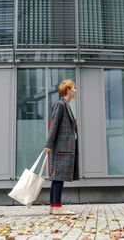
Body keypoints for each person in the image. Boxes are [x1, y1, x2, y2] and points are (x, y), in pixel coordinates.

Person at [44, 79, 79, 215]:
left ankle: (54, 206)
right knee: (58, 177)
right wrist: (48, 144)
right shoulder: (60, 105)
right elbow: (54, 125)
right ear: (68, 90)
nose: (75, 91)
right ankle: (57, 206)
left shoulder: (66, 105)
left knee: (58, 177)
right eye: (74, 88)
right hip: (61, 148)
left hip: (63, 147)